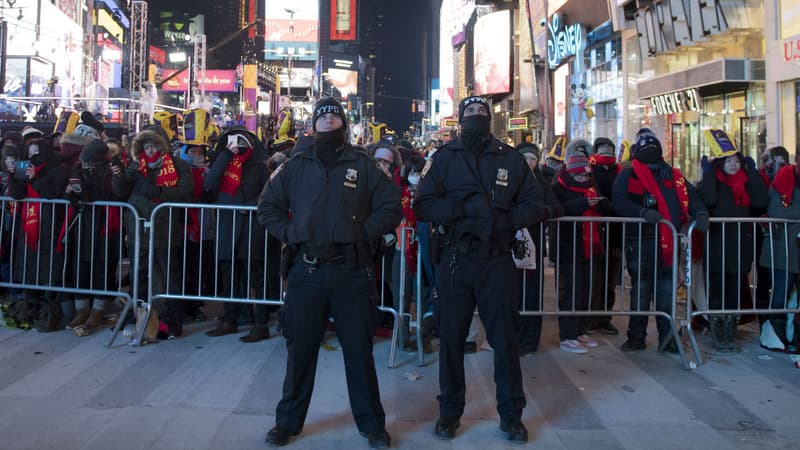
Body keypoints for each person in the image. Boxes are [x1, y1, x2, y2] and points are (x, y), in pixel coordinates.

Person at [257, 97, 399, 448]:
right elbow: (267, 207)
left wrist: (364, 232)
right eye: (323, 116)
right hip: (307, 272)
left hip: (352, 272)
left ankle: (372, 425)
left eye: (335, 116)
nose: (329, 120)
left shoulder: (364, 166)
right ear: (314, 125)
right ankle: (287, 422)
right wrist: (290, 233)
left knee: (358, 352)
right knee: (300, 351)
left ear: (344, 124)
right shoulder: (295, 165)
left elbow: (391, 207)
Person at [414, 96, 543, 443]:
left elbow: (534, 203)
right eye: (469, 112)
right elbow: (422, 205)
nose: (475, 116)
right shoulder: (443, 159)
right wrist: (459, 208)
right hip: (456, 259)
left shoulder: (510, 158)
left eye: (481, 112)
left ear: (490, 120)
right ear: (460, 119)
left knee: (504, 340)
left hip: (497, 259)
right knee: (451, 340)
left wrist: (504, 221)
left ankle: (511, 415)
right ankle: (449, 412)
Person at [611, 128, 709, 353]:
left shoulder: (673, 175)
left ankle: (668, 337)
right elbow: (619, 201)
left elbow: (691, 196)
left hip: (669, 243)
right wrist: (642, 213)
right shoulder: (628, 174)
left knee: (666, 293)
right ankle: (636, 337)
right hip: (641, 241)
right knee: (641, 292)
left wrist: (701, 213)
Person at [110, 129, 194, 339]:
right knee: (138, 276)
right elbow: (120, 192)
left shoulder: (178, 166)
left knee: (169, 278)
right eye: (146, 146)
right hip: (138, 231)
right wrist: (119, 176)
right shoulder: (136, 167)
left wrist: (158, 192)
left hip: (165, 231)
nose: (150, 150)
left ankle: (173, 321)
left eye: (154, 146)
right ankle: (135, 317)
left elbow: (185, 193)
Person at [696, 130, 768, 352]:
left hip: (739, 246)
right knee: (716, 291)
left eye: (737, 160)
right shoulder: (714, 181)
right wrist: (707, 173)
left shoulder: (746, 182)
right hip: (717, 245)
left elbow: (761, 201)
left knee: (735, 292)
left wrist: (753, 171)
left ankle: (730, 334)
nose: (734, 164)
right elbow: (708, 199)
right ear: (720, 163)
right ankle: (719, 334)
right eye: (729, 160)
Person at [204, 126, 271, 343]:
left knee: (256, 278)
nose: (238, 146)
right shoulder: (222, 163)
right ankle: (229, 319)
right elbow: (209, 185)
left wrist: (249, 205)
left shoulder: (260, 168)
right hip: (227, 229)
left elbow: (269, 195)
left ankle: (260, 324)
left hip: (252, 230)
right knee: (228, 278)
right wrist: (225, 155)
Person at [552, 142, 614, 353]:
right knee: (571, 291)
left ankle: (579, 330)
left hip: (592, 247)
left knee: (586, 290)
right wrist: (582, 205)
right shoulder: (558, 187)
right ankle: (567, 334)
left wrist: (602, 204)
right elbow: (556, 211)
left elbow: (606, 210)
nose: (582, 179)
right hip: (570, 248)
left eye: (584, 176)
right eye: (577, 176)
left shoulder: (591, 187)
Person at [514, 142, 562, 355]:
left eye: (533, 159)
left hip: (534, 247)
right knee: (513, 294)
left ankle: (530, 339)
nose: (529, 163)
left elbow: (556, 207)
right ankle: (512, 337)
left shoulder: (542, 182)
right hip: (511, 246)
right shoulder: (508, 180)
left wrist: (540, 212)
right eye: (525, 159)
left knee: (532, 295)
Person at [586, 137, 623, 335]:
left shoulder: (620, 171)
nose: (607, 150)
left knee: (610, 277)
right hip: (595, 230)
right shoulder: (590, 170)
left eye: (610, 147)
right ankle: (590, 317)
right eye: (603, 147)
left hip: (615, 231)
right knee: (595, 277)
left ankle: (605, 317)